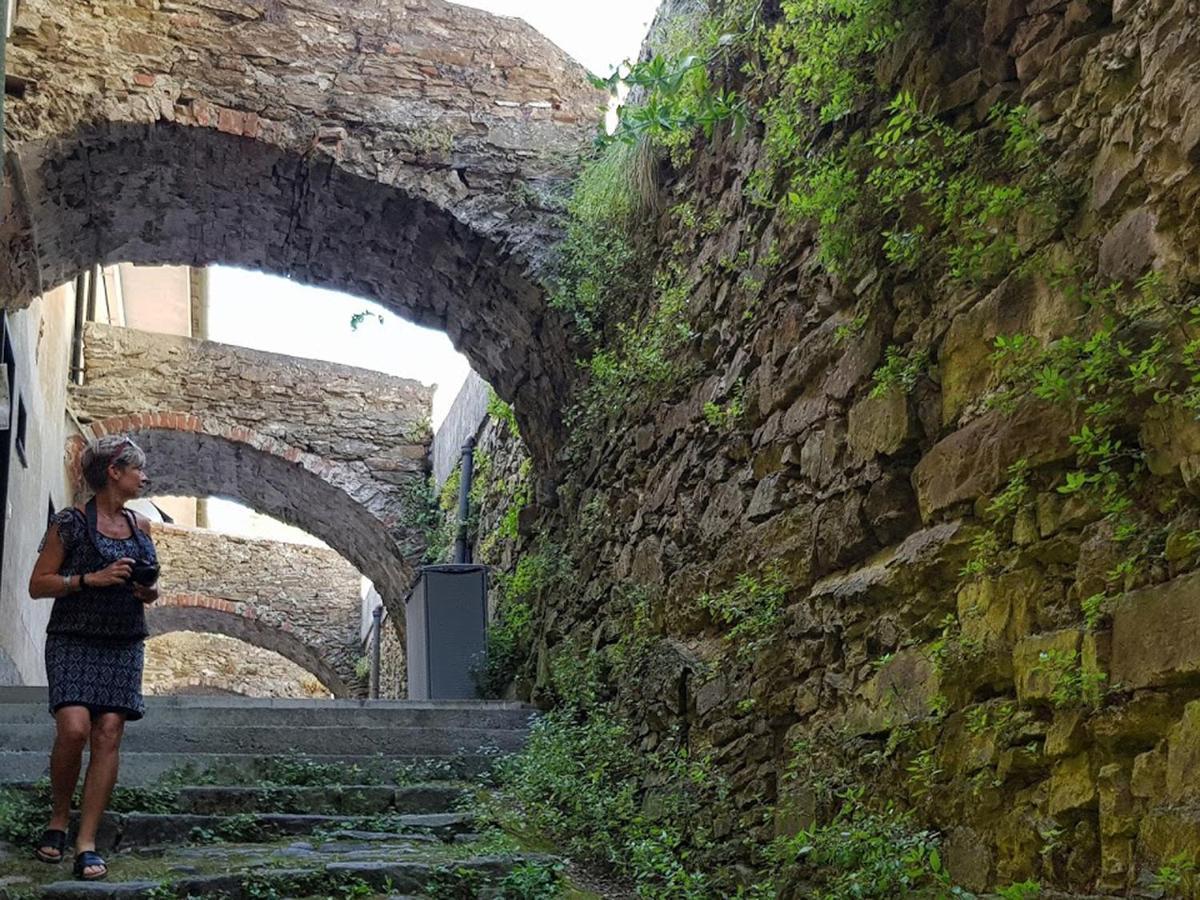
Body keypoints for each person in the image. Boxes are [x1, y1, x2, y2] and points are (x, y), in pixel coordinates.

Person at [27, 435, 160, 882]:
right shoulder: (69, 523)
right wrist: (90, 578)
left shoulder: (141, 526)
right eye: (137, 469)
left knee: (108, 733)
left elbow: (153, 587)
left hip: (123, 640)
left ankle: (86, 840)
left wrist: (145, 589)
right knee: (74, 728)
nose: (145, 476)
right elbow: (39, 583)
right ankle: (58, 818)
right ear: (113, 472)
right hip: (73, 637)